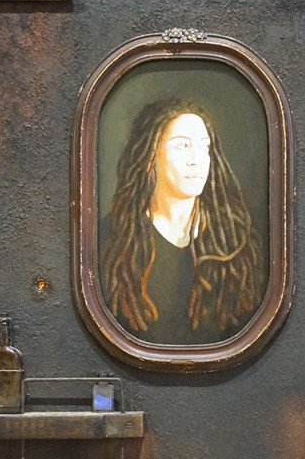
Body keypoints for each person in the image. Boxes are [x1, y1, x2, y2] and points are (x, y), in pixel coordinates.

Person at [100, 98, 263, 345]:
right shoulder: (111, 240)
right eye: (183, 146)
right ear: (150, 155)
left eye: (204, 147)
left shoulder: (238, 241)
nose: (196, 159)